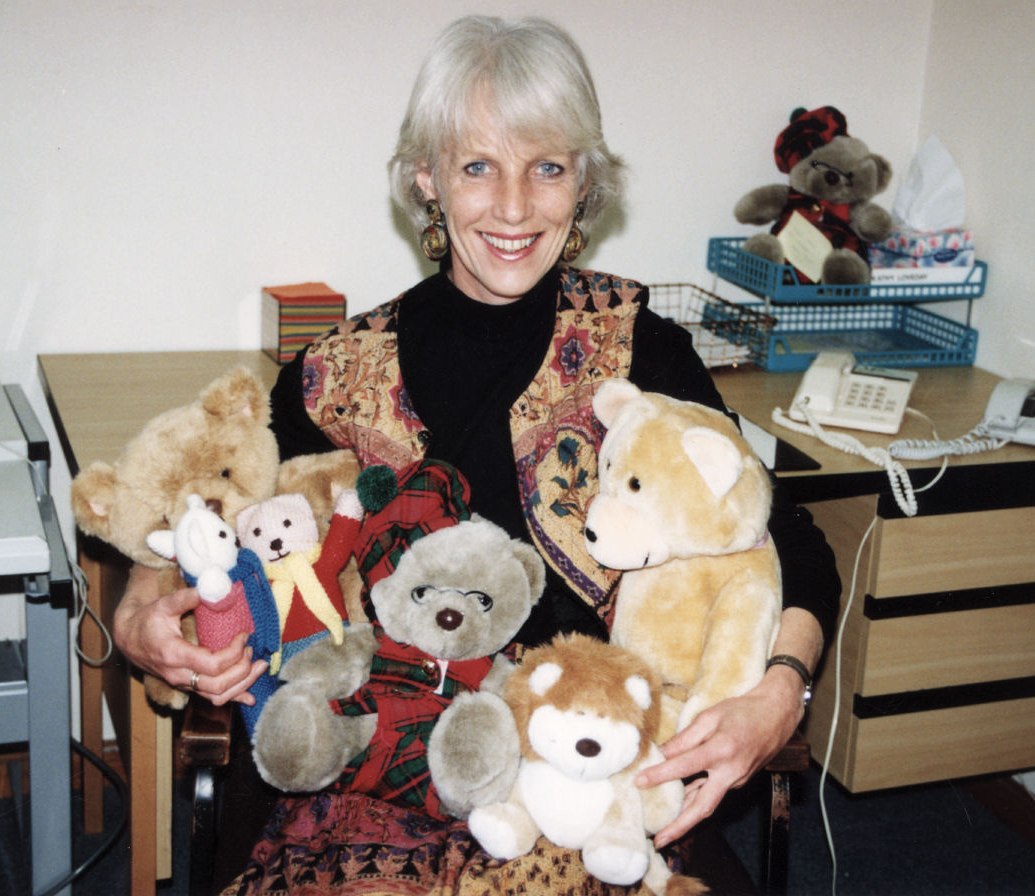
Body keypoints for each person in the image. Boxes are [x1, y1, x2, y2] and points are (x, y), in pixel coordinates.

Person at [113, 14, 840, 893]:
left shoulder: (639, 353)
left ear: (583, 185)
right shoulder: (337, 373)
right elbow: (196, 521)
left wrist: (777, 695)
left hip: (589, 784)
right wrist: (139, 617)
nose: (512, 207)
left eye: (547, 168)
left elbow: (784, 537)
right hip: (377, 781)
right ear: (427, 178)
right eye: (477, 167)